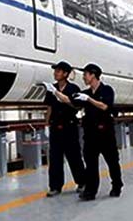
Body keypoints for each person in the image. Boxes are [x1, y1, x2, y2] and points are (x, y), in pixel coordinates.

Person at [73, 63, 123, 200]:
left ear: (93, 75)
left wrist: (89, 99)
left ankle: (117, 186)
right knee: (90, 164)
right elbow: (72, 102)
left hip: (105, 133)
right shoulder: (86, 92)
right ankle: (90, 191)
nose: (83, 77)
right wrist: (56, 92)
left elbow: (105, 106)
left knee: (112, 162)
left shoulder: (107, 90)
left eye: (85, 74)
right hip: (90, 134)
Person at [42, 61, 85, 197]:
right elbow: (49, 108)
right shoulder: (51, 89)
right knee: (55, 158)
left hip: (69, 126)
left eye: (58, 71)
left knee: (74, 156)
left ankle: (82, 182)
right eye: (55, 71)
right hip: (55, 126)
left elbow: (77, 106)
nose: (55, 73)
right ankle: (55, 186)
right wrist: (47, 124)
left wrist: (59, 95)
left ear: (66, 74)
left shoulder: (73, 88)